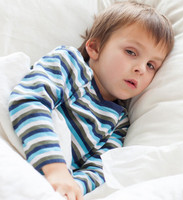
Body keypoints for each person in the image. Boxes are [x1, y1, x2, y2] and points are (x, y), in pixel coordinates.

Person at [8, 1, 174, 200]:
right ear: (95, 48)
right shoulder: (68, 64)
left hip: (47, 185)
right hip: (18, 147)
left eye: (151, 65)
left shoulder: (118, 123)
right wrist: (55, 169)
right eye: (131, 52)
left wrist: (72, 187)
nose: (140, 68)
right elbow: (29, 100)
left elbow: (100, 169)